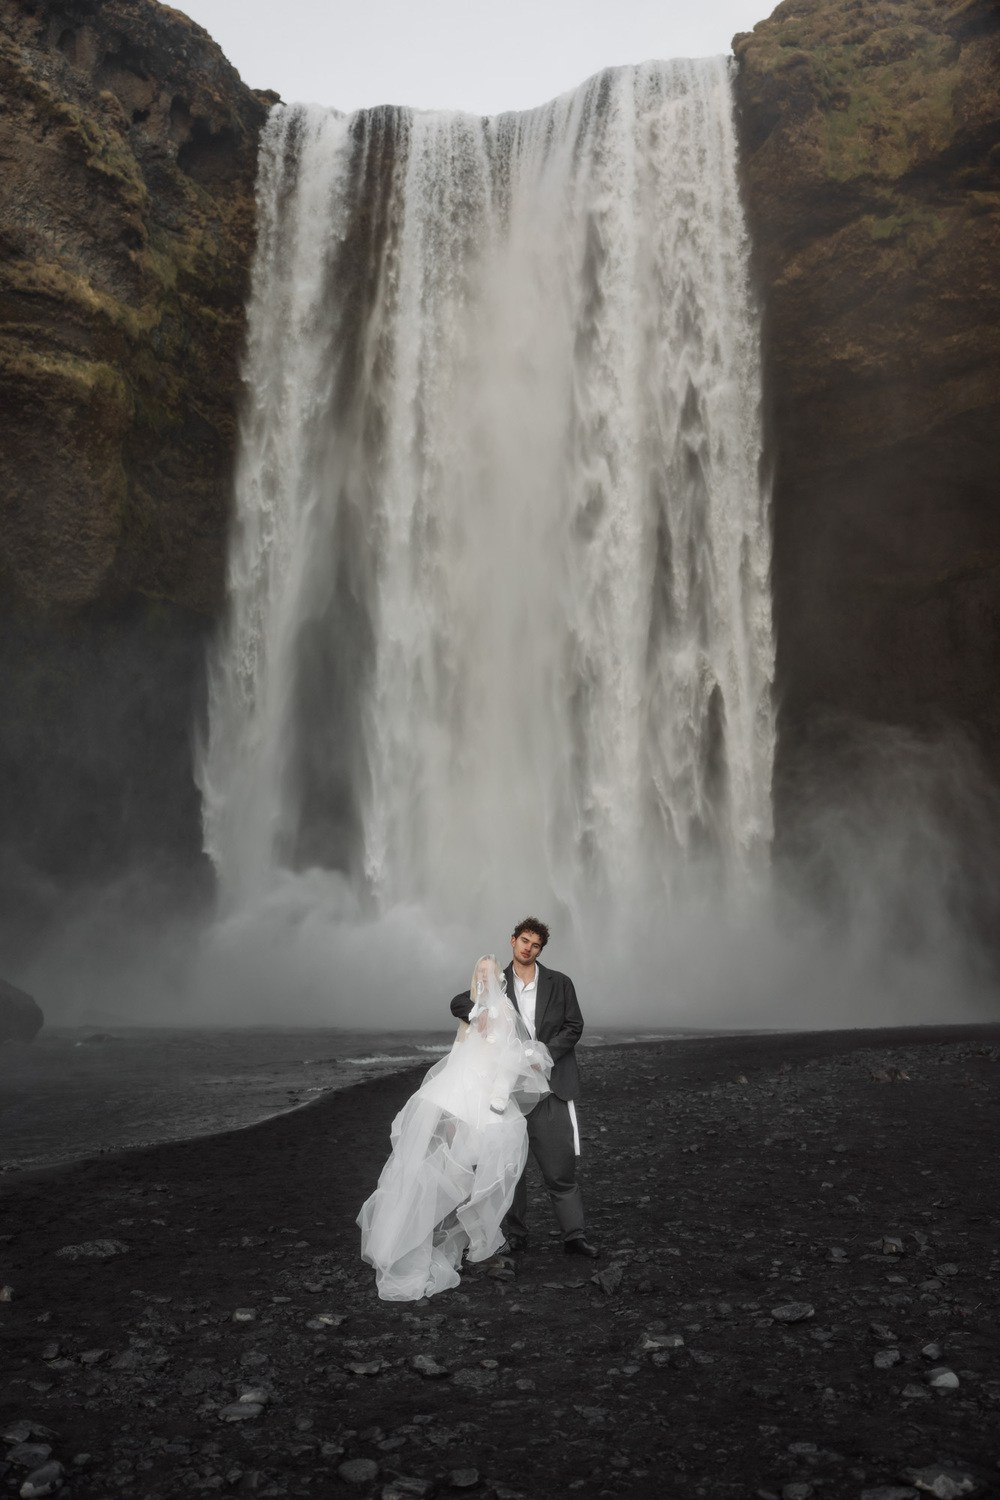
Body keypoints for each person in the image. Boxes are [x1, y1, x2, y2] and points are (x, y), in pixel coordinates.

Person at [358, 956, 551, 1301]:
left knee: (483, 1168)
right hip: (465, 1097)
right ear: (475, 977)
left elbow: (508, 1054)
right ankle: (436, 1236)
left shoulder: (503, 1011)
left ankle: (472, 1239)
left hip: (489, 1100)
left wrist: (523, 1064)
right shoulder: (471, 1010)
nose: (486, 978)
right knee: (455, 1169)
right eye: (480, 973)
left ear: (500, 978)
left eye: (490, 973)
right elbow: (461, 1050)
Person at [450, 918, 599, 1259]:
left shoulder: (560, 983)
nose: (528, 947)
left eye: (535, 944)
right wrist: (477, 1013)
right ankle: (516, 1234)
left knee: (560, 1169)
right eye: (523, 941)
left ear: (540, 949)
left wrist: (545, 1052)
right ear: (512, 941)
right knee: (509, 1170)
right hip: (509, 1094)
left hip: (551, 1088)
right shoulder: (496, 983)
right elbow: (459, 1001)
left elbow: (574, 1026)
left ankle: (574, 1237)